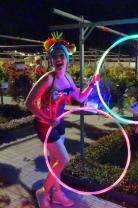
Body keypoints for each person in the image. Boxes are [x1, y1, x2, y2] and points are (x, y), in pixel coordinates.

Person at [26, 33, 99, 208]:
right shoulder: (48, 79)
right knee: (64, 160)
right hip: (45, 125)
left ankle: (57, 194)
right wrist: (47, 119)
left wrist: (92, 84)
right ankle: (43, 192)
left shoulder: (68, 79)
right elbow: (29, 103)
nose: (58, 59)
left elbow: (80, 99)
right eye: (55, 56)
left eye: (61, 56)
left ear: (66, 59)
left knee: (55, 162)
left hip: (59, 124)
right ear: (50, 60)